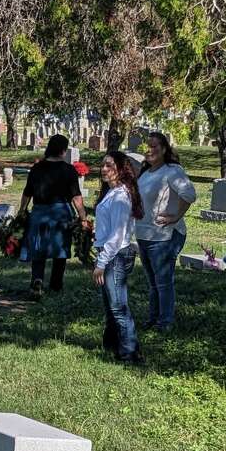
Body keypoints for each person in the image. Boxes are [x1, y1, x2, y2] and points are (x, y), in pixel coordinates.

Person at [134, 131, 197, 332]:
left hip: (163, 235)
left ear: (164, 149)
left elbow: (189, 194)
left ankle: (165, 321)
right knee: (153, 282)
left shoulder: (172, 170)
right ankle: (153, 318)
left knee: (163, 282)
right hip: (144, 234)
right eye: (148, 146)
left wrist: (175, 216)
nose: (150, 150)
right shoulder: (146, 172)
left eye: (154, 146)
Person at [17, 134, 88, 297]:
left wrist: (22, 211)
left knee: (38, 248)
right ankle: (56, 284)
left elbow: (27, 193)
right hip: (60, 213)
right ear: (63, 150)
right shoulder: (68, 170)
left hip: (39, 213)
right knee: (60, 250)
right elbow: (76, 197)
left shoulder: (37, 168)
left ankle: (37, 279)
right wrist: (83, 218)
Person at [93, 151, 145, 365]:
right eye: (103, 165)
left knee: (118, 306)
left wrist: (101, 263)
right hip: (110, 253)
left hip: (115, 256)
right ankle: (113, 344)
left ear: (121, 169)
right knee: (110, 305)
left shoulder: (121, 196)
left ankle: (130, 353)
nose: (104, 169)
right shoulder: (113, 192)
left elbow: (117, 236)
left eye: (109, 165)